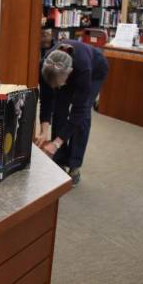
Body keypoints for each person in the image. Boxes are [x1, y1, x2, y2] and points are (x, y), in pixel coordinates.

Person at [36, 40, 108, 186]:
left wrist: (56, 143)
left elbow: (78, 111)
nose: (58, 88)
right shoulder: (45, 65)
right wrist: (44, 132)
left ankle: (74, 165)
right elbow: (46, 100)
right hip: (62, 73)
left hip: (95, 69)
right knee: (59, 108)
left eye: (60, 85)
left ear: (69, 75)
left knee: (83, 113)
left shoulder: (83, 70)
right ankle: (60, 160)